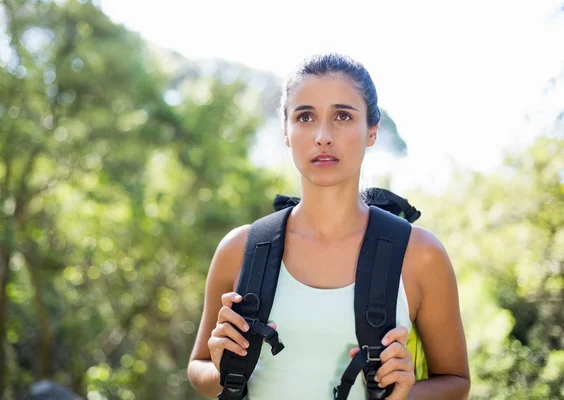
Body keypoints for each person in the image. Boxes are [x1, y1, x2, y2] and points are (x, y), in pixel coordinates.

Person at [187, 53, 470, 399]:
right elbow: (198, 369)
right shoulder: (241, 249)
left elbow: (456, 381)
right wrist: (221, 367)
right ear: (287, 133)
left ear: (372, 131)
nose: (323, 135)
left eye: (342, 116)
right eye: (305, 116)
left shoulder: (419, 254)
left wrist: (403, 394)